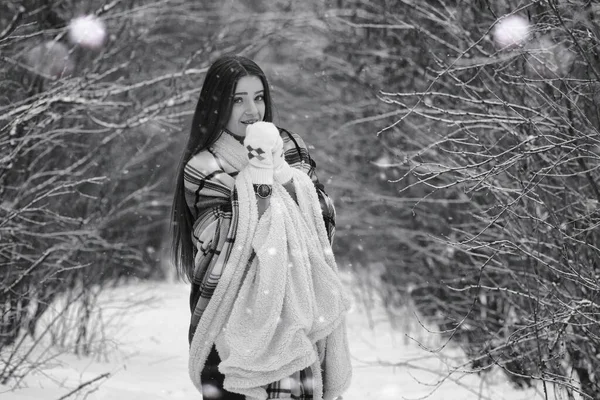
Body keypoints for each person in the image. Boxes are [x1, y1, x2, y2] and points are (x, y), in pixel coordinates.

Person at [171, 54, 352, 400]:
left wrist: (284, 174)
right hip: (229, 322)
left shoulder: (290, 149)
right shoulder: (204, 166)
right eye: (237, 100)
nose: (252, 110)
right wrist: (259, 180)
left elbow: (323, 219)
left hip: (297, 315)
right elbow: (219, 240)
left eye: (258, 97)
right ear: (216, 104)